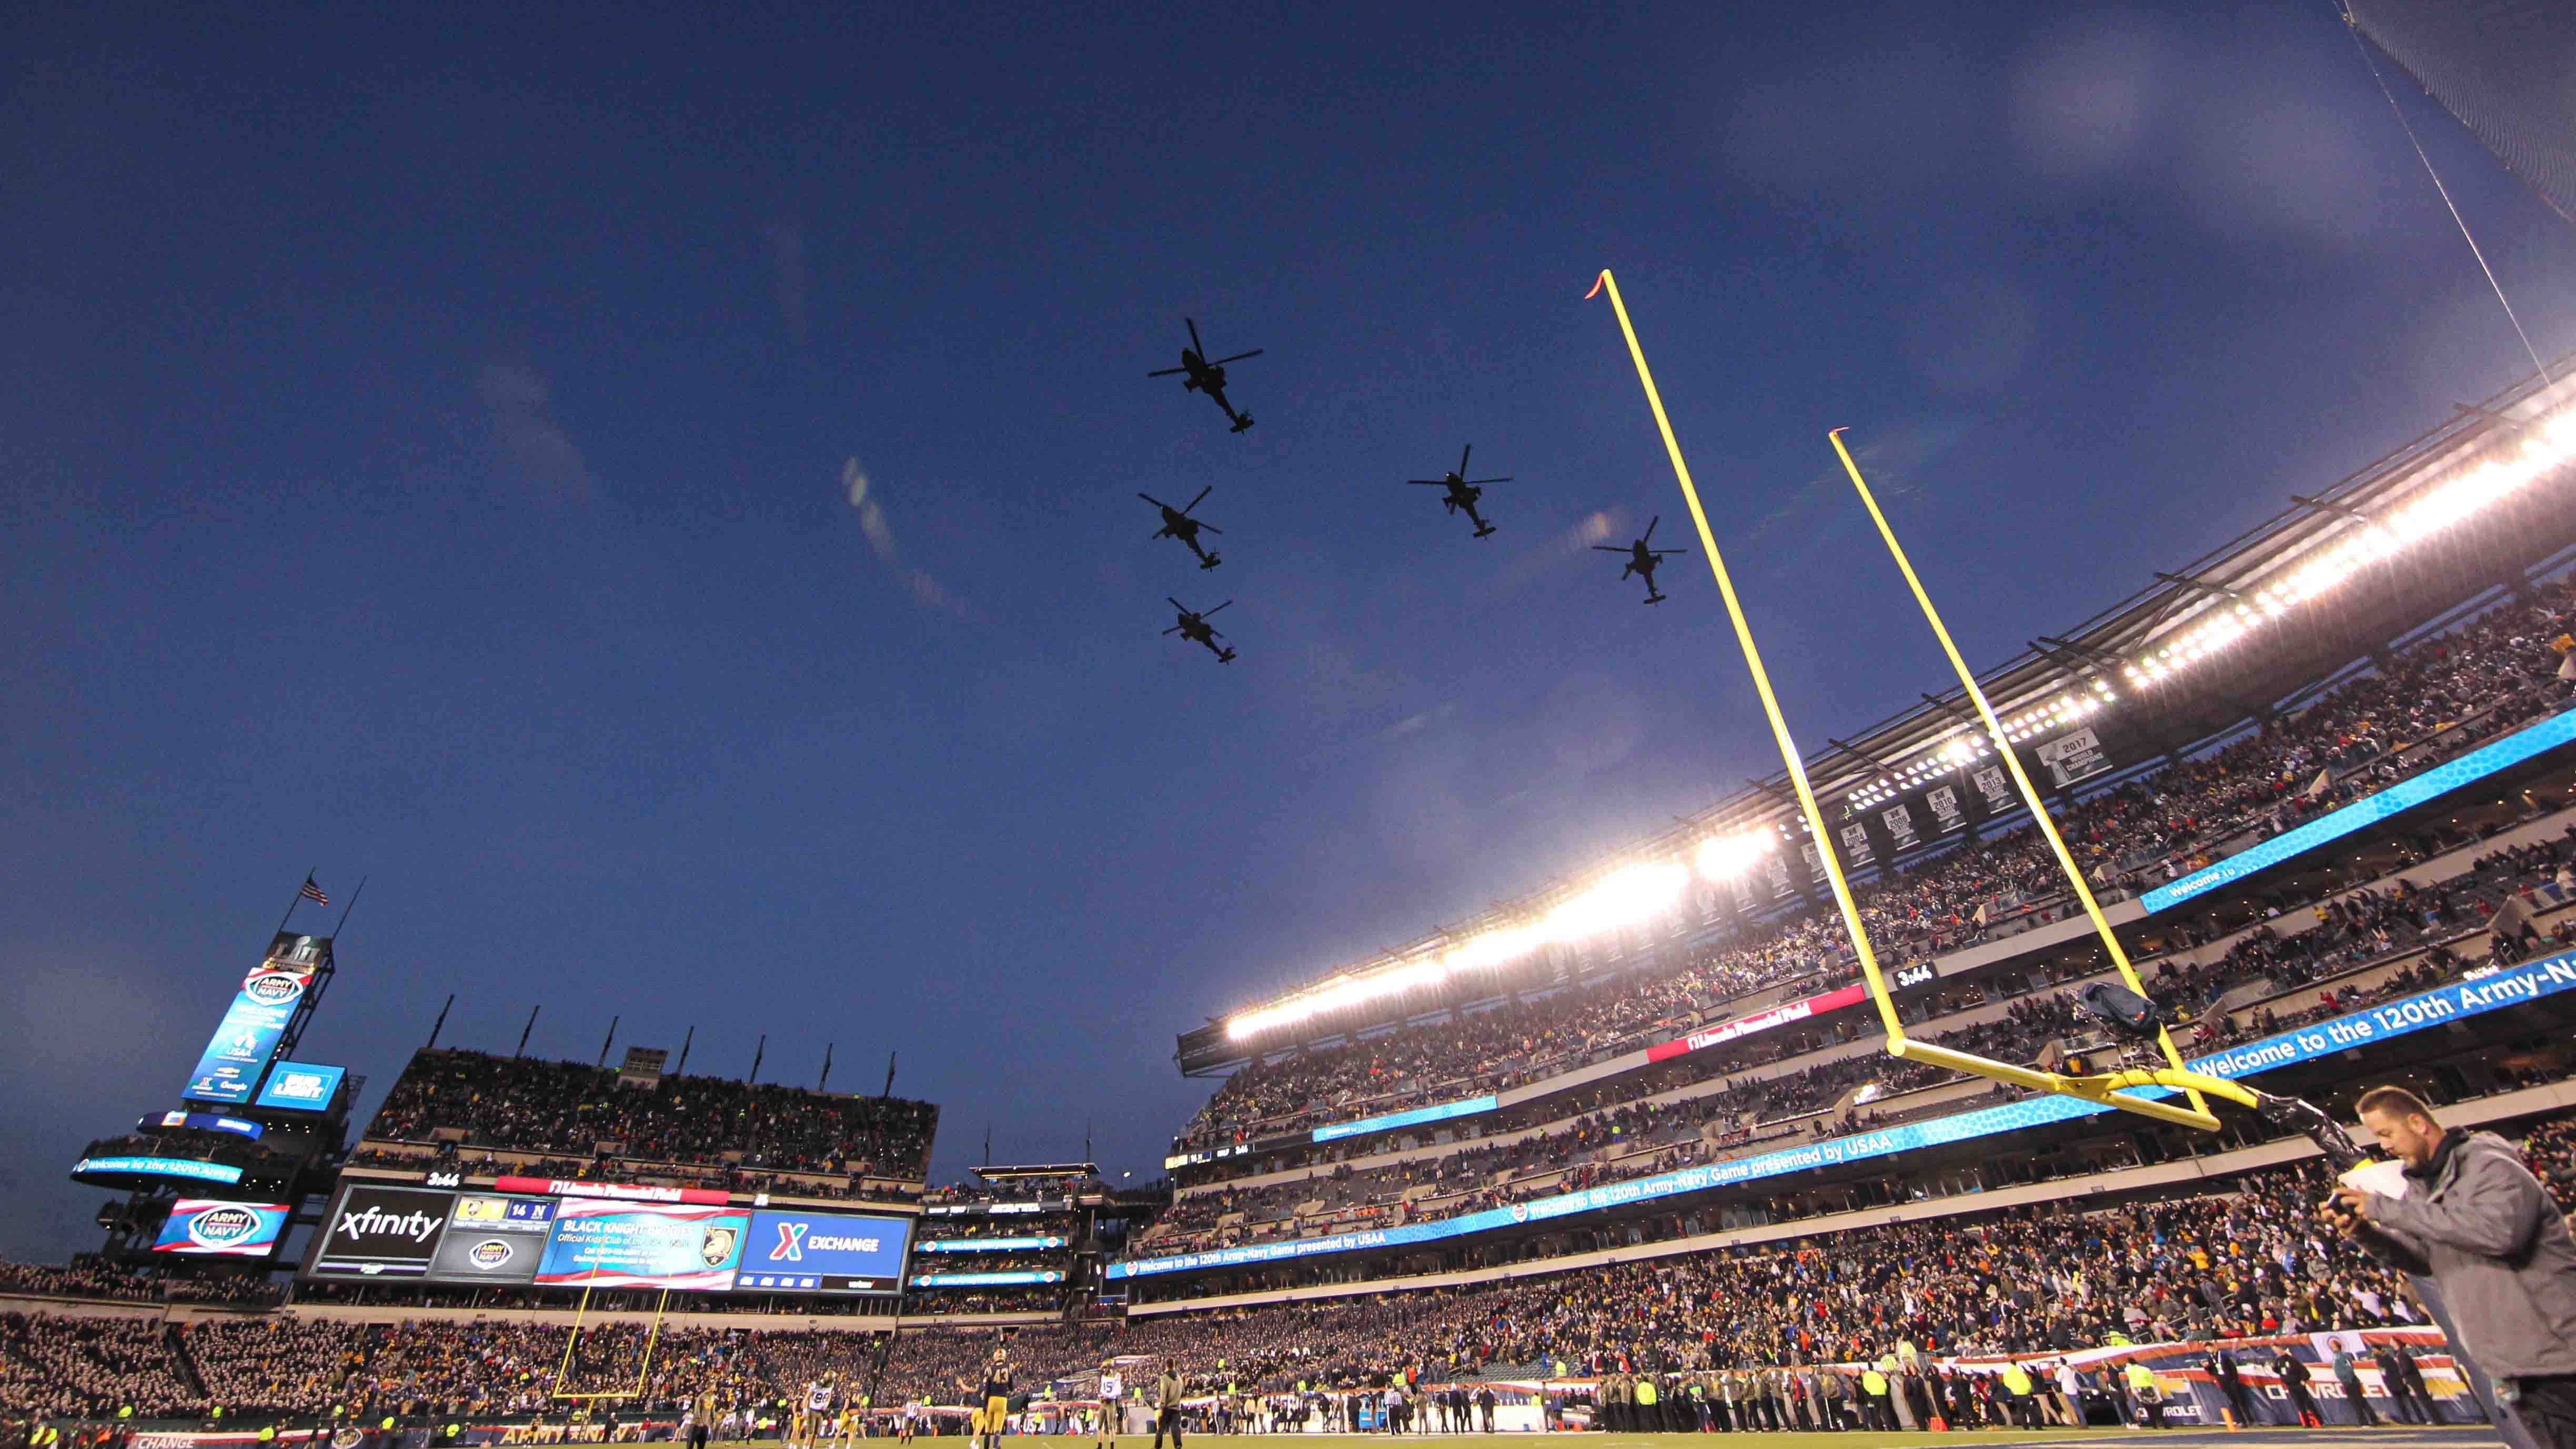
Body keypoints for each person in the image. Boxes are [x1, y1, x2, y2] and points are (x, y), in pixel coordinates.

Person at [2326, 1085, 2576, 1449]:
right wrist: (2366, 1233)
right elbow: (2425, 1260)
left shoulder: (2490, 1166)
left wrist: (2383, 1208)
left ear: (2417, 1123)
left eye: (2386, 1133)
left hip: (2559, 1355)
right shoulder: (2422, 1188)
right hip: (2514, 1362)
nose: (2384, 1146)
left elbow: (2498, 1234)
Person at [2333, 1345, 2380, 1427]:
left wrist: (2349, 1380)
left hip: (2351, 1382)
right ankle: (2373, 1420)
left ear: (2337, 1347)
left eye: (2333, 1345)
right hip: (2348, 1382)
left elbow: (2349, 1368)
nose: (2331, 1347)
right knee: (2360, 1401)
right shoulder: (2336, 1357)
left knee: (2357, 1402)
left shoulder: (2343, 1356)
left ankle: (2365, 1422)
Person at [1153, 1363, 1183, 1449]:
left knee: (1161, 1429)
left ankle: (1157, 1446)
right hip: (1177, 1407)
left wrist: (1161, 1407)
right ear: (1174, 1366)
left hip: (1167, 1408)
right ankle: (1178, 1446)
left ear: (1166, 1366)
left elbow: (1163, 1393)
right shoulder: (1179, 1378)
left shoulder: (1165, 1378)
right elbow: (1183, 1392)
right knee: (1175, 1428)